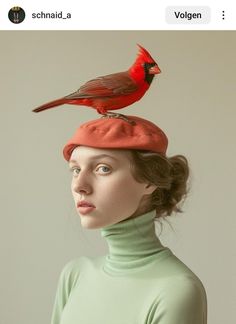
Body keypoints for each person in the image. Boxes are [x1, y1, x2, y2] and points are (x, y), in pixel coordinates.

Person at [50, 114, 207, 324]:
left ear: (149, 180)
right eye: (76, 170)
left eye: (103, 168)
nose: (79, 185)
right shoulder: (74, 275)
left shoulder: (177, 290)